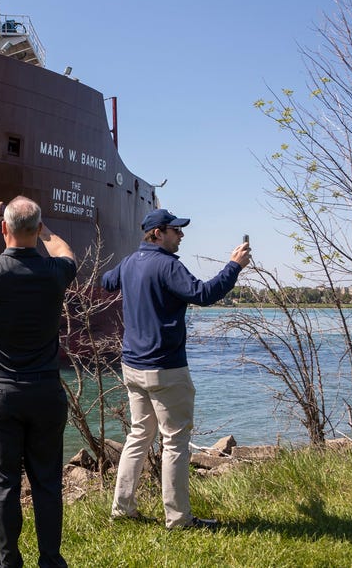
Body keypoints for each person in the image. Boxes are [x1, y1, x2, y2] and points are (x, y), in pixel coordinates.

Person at [0, 196, 76, 568]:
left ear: (4, 229)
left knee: (3, 485)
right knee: (47, 483)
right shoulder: (56, 272)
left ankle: (7, 561)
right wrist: (46, 230)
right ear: (37, 232)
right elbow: (65, 251)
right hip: (45, 391)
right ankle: (51, 560)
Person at [106, 209, 250, 530]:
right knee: (174, 442)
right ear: (157, 233)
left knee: (139, 435)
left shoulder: (130, 262)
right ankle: (179, 519)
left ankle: (122, 509)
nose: (181, 235)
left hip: (132, 366)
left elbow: (107, 281)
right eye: (176, 230)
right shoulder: (168, 265)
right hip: (165, 368)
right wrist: (234, 266)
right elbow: (204, 294)